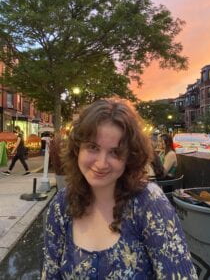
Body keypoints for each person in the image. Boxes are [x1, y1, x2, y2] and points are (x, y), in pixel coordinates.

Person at [42, 98, 197, 279]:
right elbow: (50, 272)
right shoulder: (62, 205)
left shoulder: (149, 204)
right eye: (93, 147)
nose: (101, 163)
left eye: (115, 152)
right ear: (77, 149)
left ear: (129, 157)